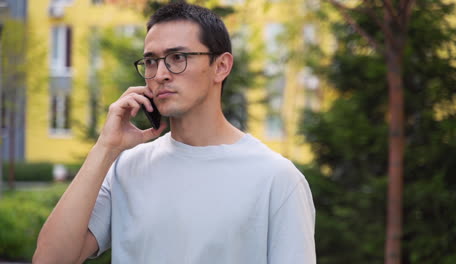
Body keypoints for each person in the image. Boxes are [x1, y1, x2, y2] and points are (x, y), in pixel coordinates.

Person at [33, 2, 316, 264]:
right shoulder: (127, 167)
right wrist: (105, 147)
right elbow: (49, 259)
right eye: (152, 61)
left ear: (221, 66)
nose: (160, 74)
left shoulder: (276, 179)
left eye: (177, 57)